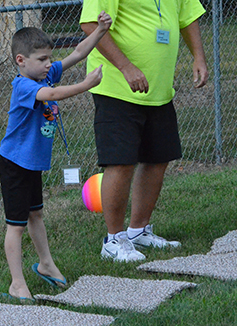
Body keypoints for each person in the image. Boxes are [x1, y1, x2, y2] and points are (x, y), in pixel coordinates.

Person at [80, 0, 209, 262]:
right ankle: (114, 239)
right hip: (117, 87)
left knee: (158, 158)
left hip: (158, 89)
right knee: (120, 162)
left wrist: (198, 55)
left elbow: (187, 16)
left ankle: (138, 230)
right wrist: (126, 67)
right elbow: (90, 23)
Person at [0, 11, 112, 300]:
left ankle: (46, 264)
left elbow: (77, 53)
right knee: (16, 225)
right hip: (14, 163)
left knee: (36, 213)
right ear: (21, 61)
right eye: (42, 59)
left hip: (31, 162)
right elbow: (51, 96)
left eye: (50, 58)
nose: (49, 64)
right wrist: (85, 86)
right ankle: (17, 282)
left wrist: (99, 31)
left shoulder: (45, 73)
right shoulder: (23, 85)